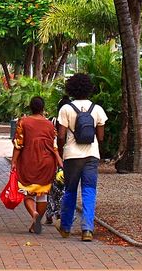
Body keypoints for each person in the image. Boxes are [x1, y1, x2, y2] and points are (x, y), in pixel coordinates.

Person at [56, 73, 107, 242]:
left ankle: (65, 227)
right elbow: (100, 137)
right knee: (89, 191)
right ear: (89, 88)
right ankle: (87, 230)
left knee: (70, 191)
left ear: (71, 89)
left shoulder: (66, 109)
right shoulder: (97, 109)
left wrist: (63, 147)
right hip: (91, 155)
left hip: (72, 155)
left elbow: (61, 135)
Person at [12, 96, 62, 235]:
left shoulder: (24, 122)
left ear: (30, 107)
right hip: (47, 162)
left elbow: (18, 144)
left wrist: (14, 162)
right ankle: (37, 221)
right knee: (43, 194)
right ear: (43, 108)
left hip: (29, 161)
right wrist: (59, 161)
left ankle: (34, 214)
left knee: (28, 193)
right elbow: (54, 145)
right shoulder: (50, 125)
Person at [45, 95, 71, 225]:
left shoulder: (52, 121)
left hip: (54, 158)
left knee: (52, 187)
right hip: (69, 157)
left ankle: (49, 214)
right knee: (65, 187)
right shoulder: (73, 120)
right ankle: (61, 212)